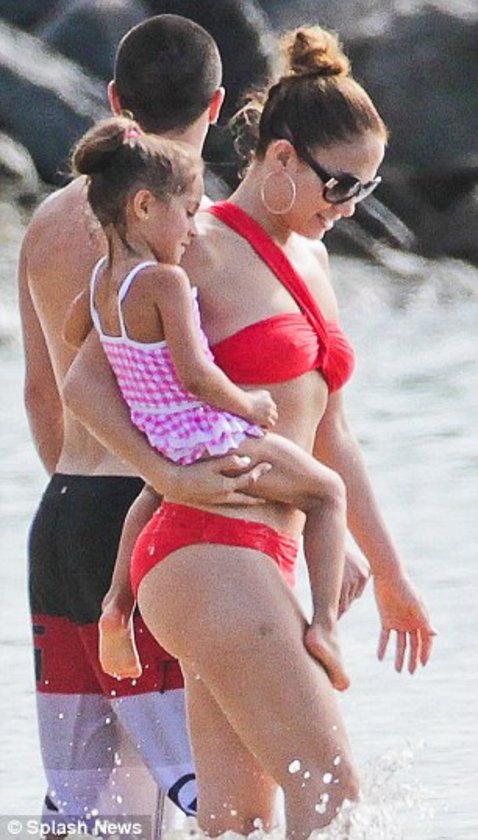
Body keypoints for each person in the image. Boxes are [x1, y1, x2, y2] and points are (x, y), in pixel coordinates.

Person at [63, 23, 436, 839]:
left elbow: (332, 436)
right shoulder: (200, 244)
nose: (349, 207)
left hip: (265, 556)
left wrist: (390, 573)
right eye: (340, 185)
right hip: (206, 549)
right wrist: (166, 473)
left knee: (239, 825)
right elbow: (84, 381)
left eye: (367, 189)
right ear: (281, 159)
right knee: (334, 793)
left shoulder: (316, 260)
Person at [19, 14, 277, 836]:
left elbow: (42, 395)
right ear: (219, 104)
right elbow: (234, 392)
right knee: (224, 800)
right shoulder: (196, 233)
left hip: (61, 521)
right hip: (162, 525)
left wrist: (84, 505)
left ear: (113, 100)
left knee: (92, 815)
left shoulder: (45, 224)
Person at [65, 115, 359, 693]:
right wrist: (248, 405)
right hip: (206, 432)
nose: (194, 231)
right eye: (188, 210)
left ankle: (117, 604)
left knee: (150, 497)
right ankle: (325, 626)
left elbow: (76, 332)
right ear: (145, 207)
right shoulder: (165, 282)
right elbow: (197, 375)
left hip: (160, 436)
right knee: (327, 493)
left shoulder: (101, 282)